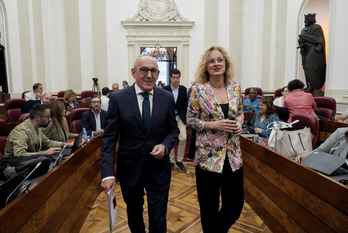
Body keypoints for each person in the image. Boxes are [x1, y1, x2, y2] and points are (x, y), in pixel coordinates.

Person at [100, 55, 179, 233]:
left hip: (158, 169)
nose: (149, 75)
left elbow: (173, 130)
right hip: (130, 170)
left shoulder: (166, 98)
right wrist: (107, 174)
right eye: (144, 70)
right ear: (134, 73)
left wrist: (165, 146)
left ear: (158, 74)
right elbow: (109, 138)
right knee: (134, 216)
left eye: (153, 71)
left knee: (158, 220)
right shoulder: (118, 98)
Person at [186, 46, 244, 232]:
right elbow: (190, 120)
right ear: (206, 66)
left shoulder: (235, 88)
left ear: (226, 63)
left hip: (233, 157)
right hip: (207, 158)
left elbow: (241, 113)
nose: (216, 64)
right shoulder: (198, 89)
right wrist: (213, 125)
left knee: (235, 205)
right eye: (211, 61)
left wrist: (240, 123)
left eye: (220, 60)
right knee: (209, 208)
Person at [4, 104, 73, 157]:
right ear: (37, 117)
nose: (50, 119)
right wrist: (45, 153)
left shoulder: (37, 127)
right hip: (14, 168)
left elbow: (47, 142)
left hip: (31, 162)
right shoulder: (21, 131)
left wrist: (66, 145)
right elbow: (19, 154)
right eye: (48, 117)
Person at [163, 68, 188, 172]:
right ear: (170, 78)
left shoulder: (183, 89)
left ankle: (179, 161)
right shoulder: (165, 89)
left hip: (180, 117)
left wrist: (186, 120)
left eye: (177, 78)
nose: (175, 80)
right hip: (169, 118)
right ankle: (171, 161)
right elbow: (163, 105)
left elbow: (185, 105)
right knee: (171, 140)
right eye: (174, 77)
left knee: (183, 138)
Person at [298, 13, 326, 92]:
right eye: (305, 20)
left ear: (311, 20)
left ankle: (313, 85)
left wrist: (319, 47)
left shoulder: (316, 27)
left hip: (313, 49)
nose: (305, 21)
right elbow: (302, 41)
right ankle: (309, 85)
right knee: (306, 67)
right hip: (305, 50)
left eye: (306, 20)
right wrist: (300, 42)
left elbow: (320, 39)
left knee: (310, 66)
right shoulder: (303, 30)